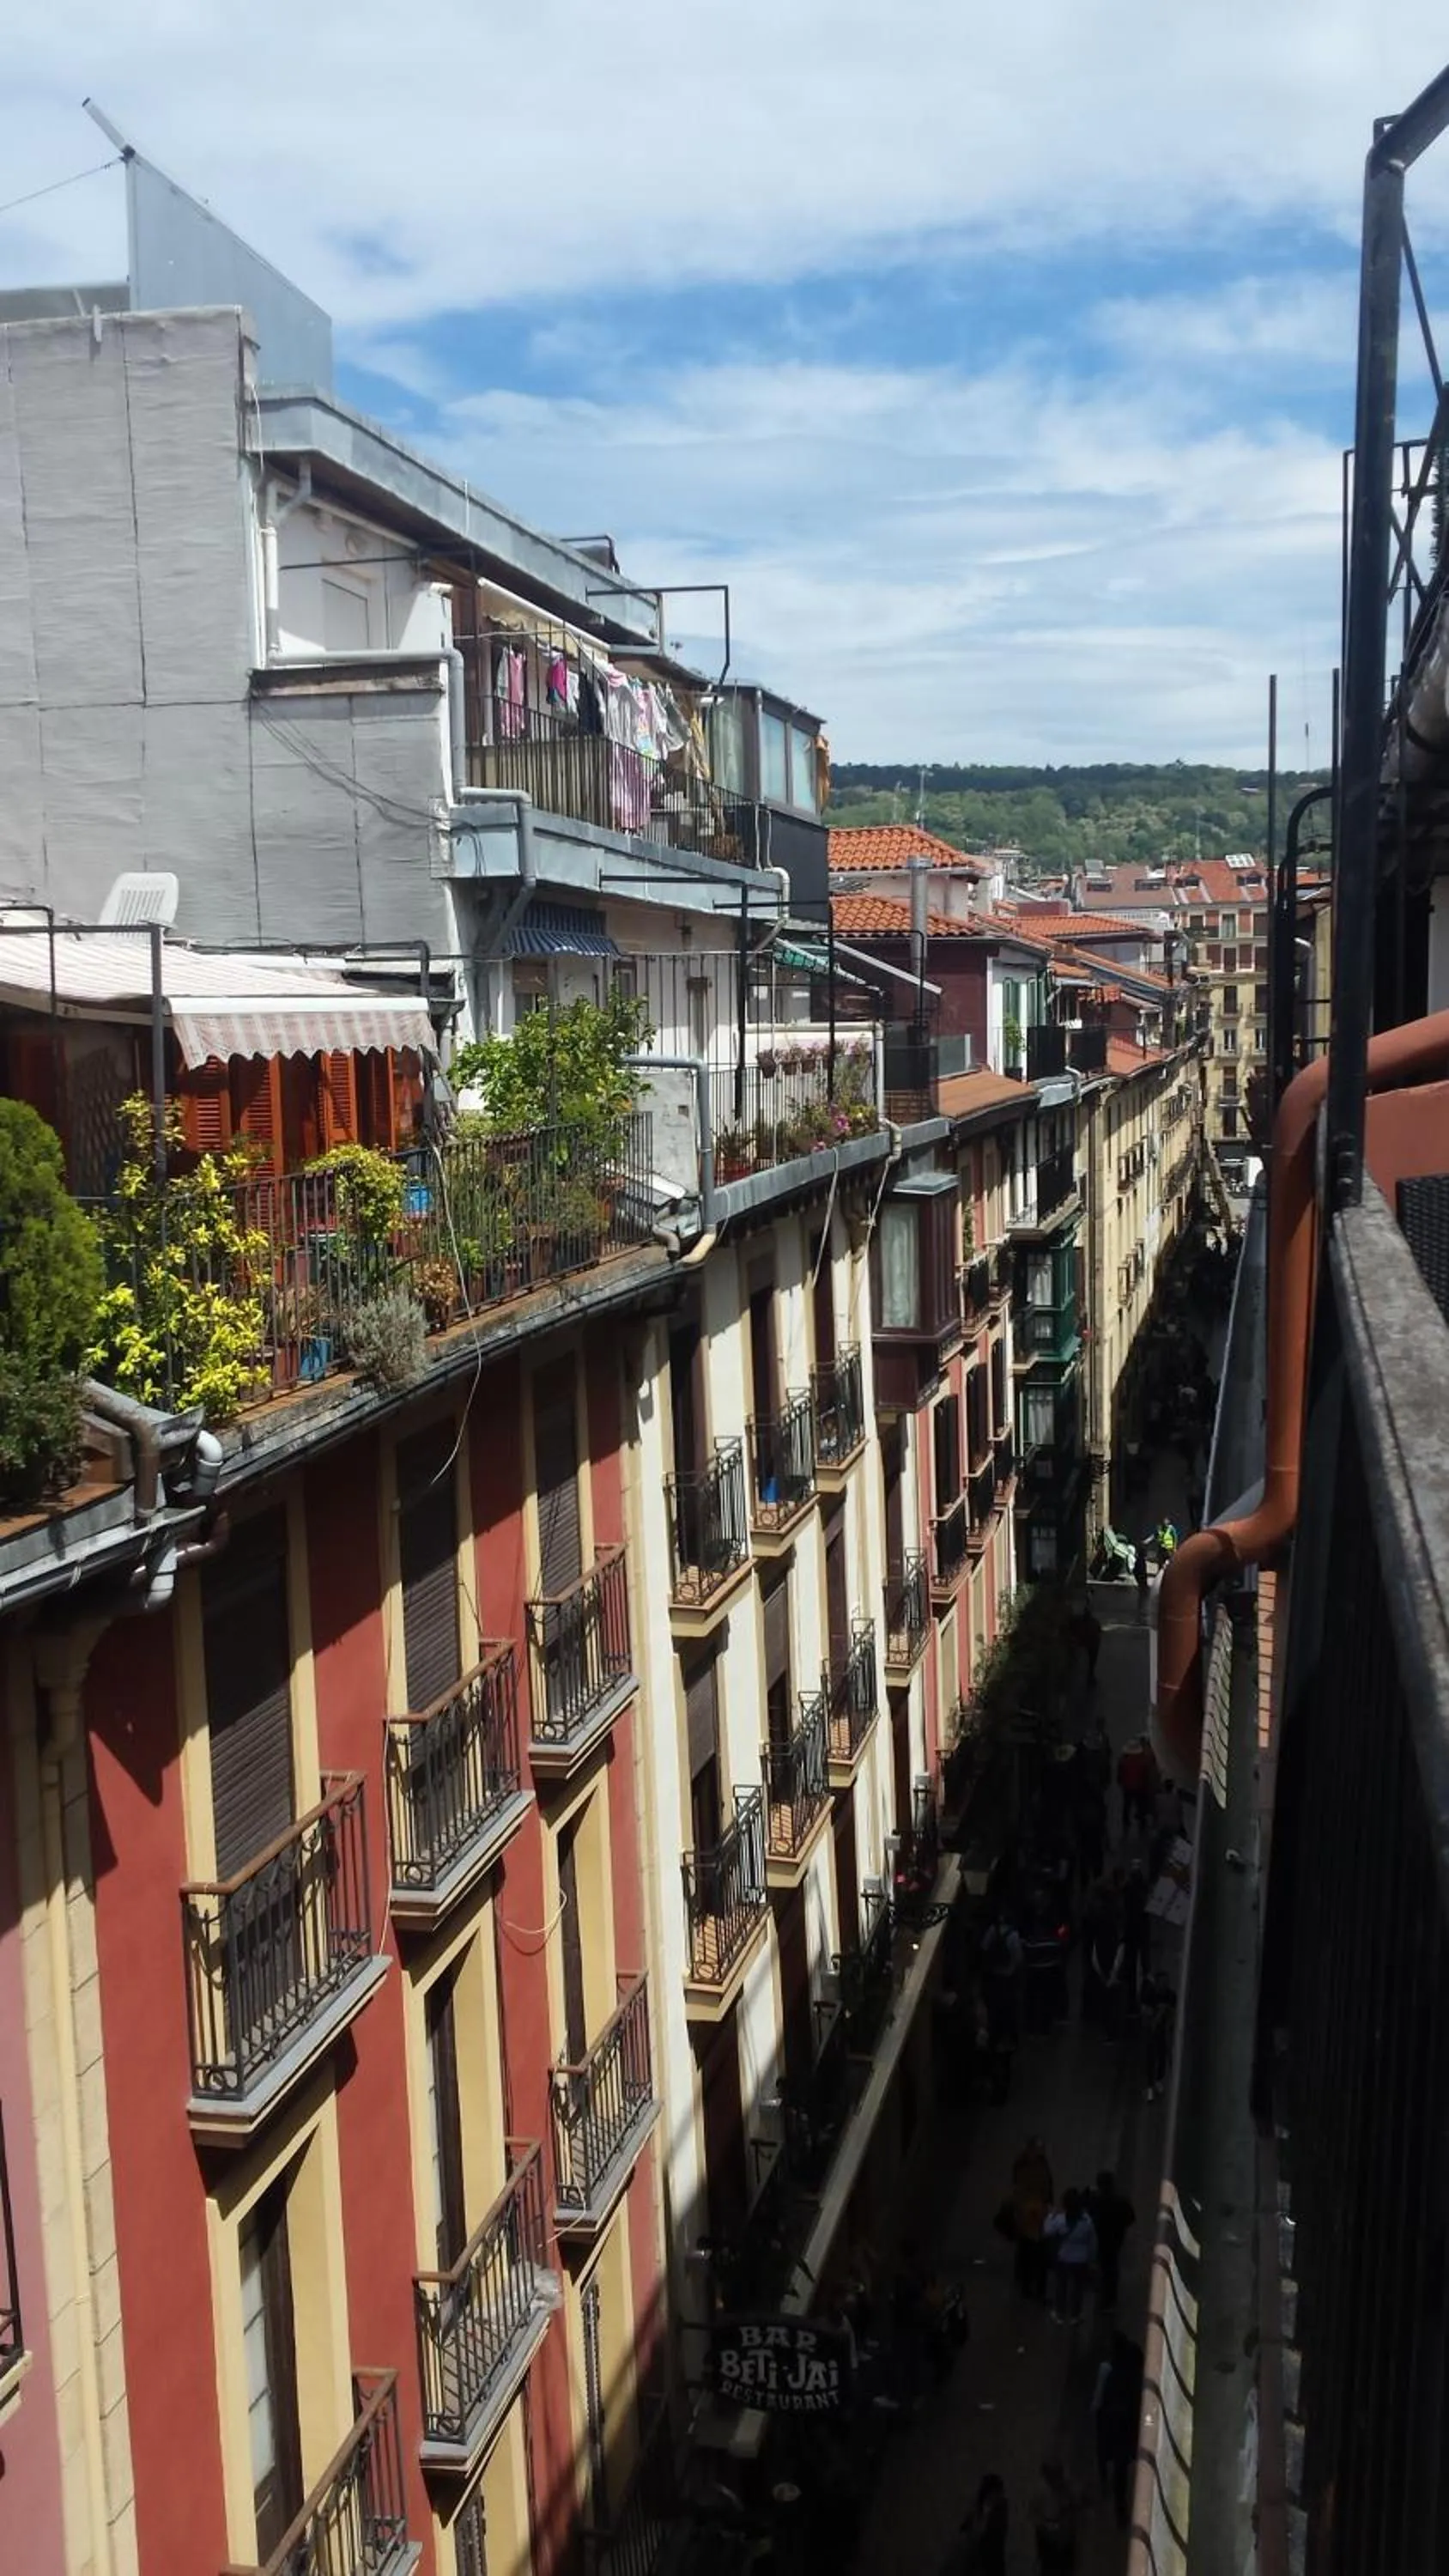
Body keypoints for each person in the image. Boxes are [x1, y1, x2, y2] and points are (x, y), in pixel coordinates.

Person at [1092, 2332, 1146, 2529]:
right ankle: (1120, 2512)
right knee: (1122, 2468)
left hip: (1110, 2424)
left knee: (1106, 2455)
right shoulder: (1134, 2371)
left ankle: (1105, 2485)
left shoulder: (1108, 2371)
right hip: (1127, 2426)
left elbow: (1099, 2399)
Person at [1009, 2136, 1055, 2299]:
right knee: (1027, 2249)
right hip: (1028, 2214)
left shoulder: (1042, 2164)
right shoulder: (1023, 2166)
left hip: (1039, 2212)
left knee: (1036, 2249)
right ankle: (1026, 2282)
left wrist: (1048, 2202)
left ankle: (1033, 2284)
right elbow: (1019, 2189)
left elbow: (1048, 2185)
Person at [1044, 2188, 1097, 2322]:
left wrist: (1051, 2216)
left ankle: (1059, 2313)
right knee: (1078, 2289)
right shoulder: (1087, 2221)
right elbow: (1092, 2242)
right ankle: (1075, 2315)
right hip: (1081, 2259)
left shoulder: (1060, 2220)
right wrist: (1091, 2259)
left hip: (1064, 2257)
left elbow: (1047, 2231)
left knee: (1061, 2287)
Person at [1089, 2170, 1137, 2308]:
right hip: (1116, 2238)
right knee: (1112, 2267)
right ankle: (1110, 2298)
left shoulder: (1095, 2201)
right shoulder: (1121, 2201)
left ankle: (1102, 2293)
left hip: (1100, 2238)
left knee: (1102, 2265)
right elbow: (1131, 2218)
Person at [947, 2472, 1009, 2576]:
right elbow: (966, 2532)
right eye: (996, 2492)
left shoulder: (1000, 2509)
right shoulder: (976, 2510)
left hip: (990, 2562)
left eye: (999, 2493)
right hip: (977, 2560)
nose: (998, 2496)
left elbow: (996, 2536)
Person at [1030, 2459, 1084, 2573]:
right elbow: (1034, 2515)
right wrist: (1046, 2525)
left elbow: (1078, 2507)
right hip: (1049, 2540)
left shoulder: (1069, 2488)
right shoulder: (1040, 2492)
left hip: (1065, 2539)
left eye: (1058, 2474)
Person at [1143, 1972, 1177, 2102]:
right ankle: (1150, 2085)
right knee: (1151, 2058)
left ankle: (1158, 2080)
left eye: (1166, 1982)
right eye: (1162, 1982)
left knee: (1162, 2057)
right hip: (1151, 2030)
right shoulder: (1150, 1995)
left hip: (1164, 2030)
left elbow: (1173, 2013)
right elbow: (1147, 2014)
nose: (1165, 1985)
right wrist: (1158, 2013)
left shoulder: (1171, 1995)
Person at [1118, 1738, 1157, 1840]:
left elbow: (1120, 1774)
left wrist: (1121, 1783)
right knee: (1140, 1806)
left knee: (1127, 1805)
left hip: (1127, 1787)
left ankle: (1126, 1822)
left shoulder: (1123, 1761)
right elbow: (1146, 1774)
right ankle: (1141, 1824)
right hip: (1140, 1787)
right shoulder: (1142, 1761)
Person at [1133, 1540, 1149, 1622]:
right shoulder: (1140, 1561)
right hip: (1142, 1583)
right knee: (1142, 1601)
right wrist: (1141, 1581)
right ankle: (1140, 1619)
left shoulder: (1140, 1561)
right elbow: (1137, 1572)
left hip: (1142, 1583)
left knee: (1142, 1601)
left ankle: (1140, 1618)